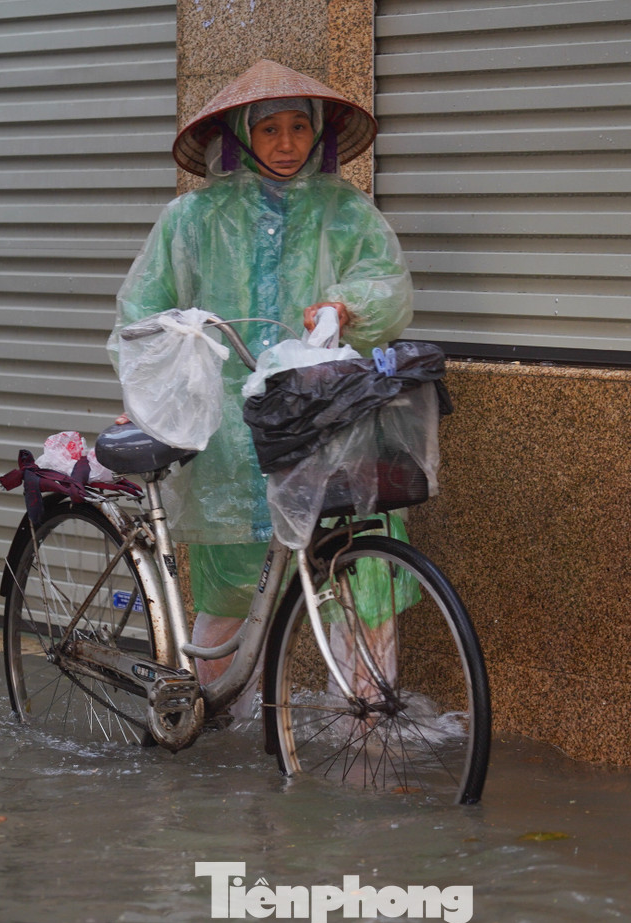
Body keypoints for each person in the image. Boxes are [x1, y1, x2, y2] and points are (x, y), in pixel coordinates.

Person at [107, 60, 413, 700]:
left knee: (357, 571)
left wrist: (348, 306)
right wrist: (162, 384)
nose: (286, 143)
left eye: (299, 126)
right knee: (232, 584)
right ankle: (214, 715)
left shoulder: (346, 212)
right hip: (231, 438)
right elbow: (143, 313)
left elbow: (386, 284)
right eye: (269, 128)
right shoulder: (193, 218)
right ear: (241, 136)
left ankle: (369, 719)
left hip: (326, 418)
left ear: (318, 132)